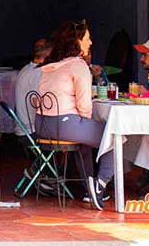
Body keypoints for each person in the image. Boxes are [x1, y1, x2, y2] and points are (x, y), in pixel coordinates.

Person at [36, 20, 114, 211]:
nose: (91, 42)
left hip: (42, 125)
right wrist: (86, 123)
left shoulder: (51, 65)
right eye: (87, 39)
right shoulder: (78, 66)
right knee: (115, 134)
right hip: (64, 124)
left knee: (85, 140)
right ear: (77, 41)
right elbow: (84, 106)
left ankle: (89, 190)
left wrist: (85, 129)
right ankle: (100, 184)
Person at [13, 38, 51, 137]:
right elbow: (38, 103)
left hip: (22, 129)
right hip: (33, 131)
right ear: (49, 51)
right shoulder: (39, 73)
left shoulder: (25, 69)